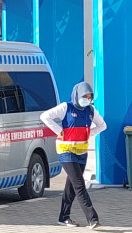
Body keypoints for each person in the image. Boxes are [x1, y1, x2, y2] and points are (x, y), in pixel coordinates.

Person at [40, 82, 106, 229]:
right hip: (66, 152)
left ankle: (63, 217)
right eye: (85, 96)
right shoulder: (66, 107)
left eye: (90, 97)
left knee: (71, 187)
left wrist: (90, 133)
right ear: (77, 95)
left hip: (81, 153)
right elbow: (45, 116)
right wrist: (58, 130)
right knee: (80, 185)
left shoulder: (90, 110)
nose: (87, 99)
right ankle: (92, 219)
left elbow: (103, 125)